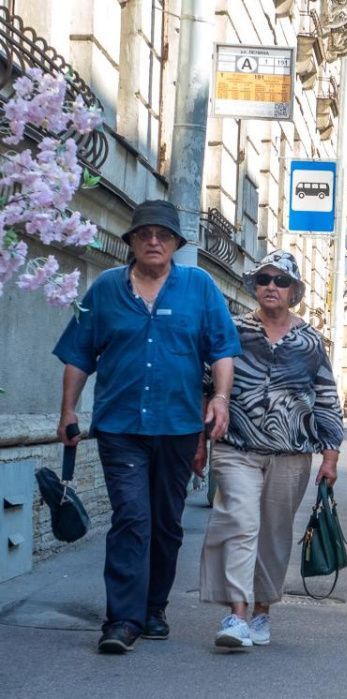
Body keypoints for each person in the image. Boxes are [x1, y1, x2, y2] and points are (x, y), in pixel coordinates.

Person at [53, 199, 241, 654]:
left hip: (178, 427)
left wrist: (219, 398)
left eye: (163, 235)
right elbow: (80, 355)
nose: (153, 241)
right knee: (132, 517)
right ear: (131, 242)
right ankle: (122, 619)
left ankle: (155, 607)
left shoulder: (199, 287)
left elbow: (222, 350)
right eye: (144, 235)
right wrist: (67, 411)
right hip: (120, 426)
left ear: (176, 243)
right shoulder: (103, 291)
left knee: (165, 523)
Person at [198, 250, 343, 649]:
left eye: (280, 281)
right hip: (236, 447)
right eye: (264, 280)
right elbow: (207, 387)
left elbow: (327, 398)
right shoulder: (234, 331)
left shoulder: (310, 341)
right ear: (255, 286)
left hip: (290, 452)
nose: (271, 287)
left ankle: (263, 611)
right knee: (238, 522)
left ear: (294, 290)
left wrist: (331, 456)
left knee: (274, 535)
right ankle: (237, 614)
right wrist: (199, 440)